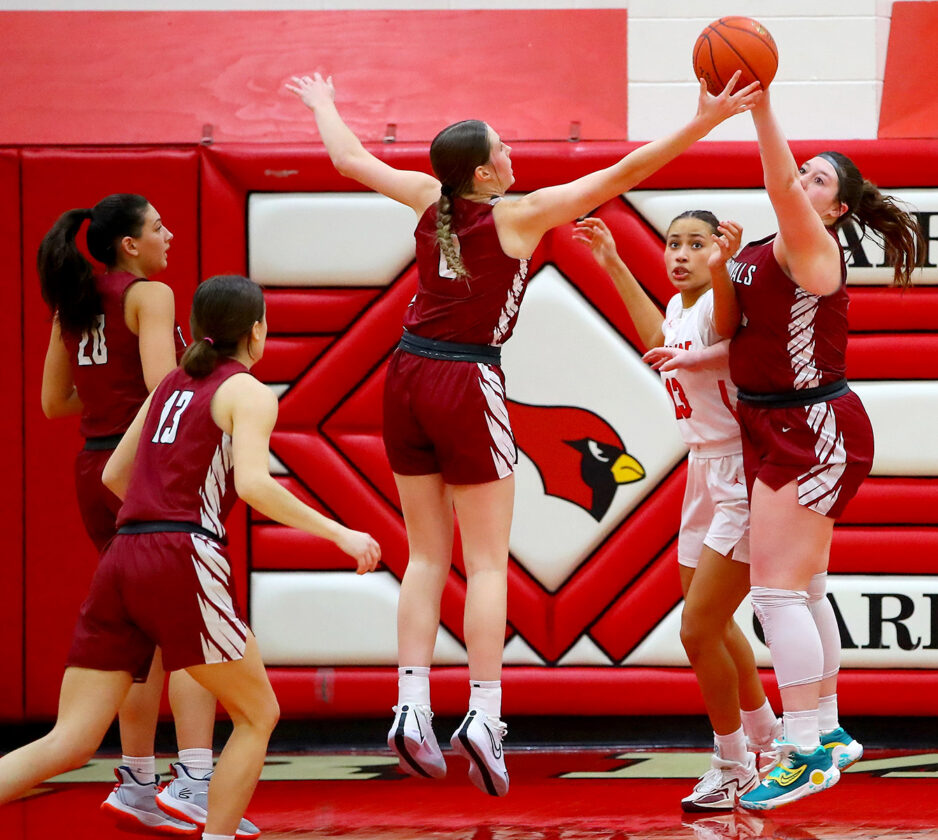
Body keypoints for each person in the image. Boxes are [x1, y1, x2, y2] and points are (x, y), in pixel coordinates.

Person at [286, 69, 762, 796]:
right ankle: (483, 716)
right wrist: (705, 121)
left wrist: (323, 103)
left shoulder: (427, 197)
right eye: (502, 148)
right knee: (483, 564)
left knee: (425, 556)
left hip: (404, 374)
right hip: (464, 378)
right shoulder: (520, 214)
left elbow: (349, 159)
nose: (512, 153)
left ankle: (411, 705)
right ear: (483, 173)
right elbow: (625, 172)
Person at [0, 274, 382, 840]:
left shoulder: (167, 386)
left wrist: (153, 517)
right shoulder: (248, 391)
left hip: (123, 553)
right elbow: (253, 484)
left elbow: (113, 475)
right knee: (258, 714)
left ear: (199, 328)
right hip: (181, 552)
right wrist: (339, 533)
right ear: (257, 330)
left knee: (70, 741)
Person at [707, 93, 924, 809]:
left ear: (835, 211)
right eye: (803, 171)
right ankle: (827, 730)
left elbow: (776, 182)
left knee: (774, 593)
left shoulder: (813, 247)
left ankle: (802, 751)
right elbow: (746, 334)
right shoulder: (768, 247)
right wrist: (699, 357)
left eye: (818, 179)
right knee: (803, 590)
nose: (802, 180)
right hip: (777, 423)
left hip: (811, 427)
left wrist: (761, 107)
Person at [574, 212, 780, 812]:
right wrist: (613, 262)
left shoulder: (720, 302)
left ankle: (732, 764)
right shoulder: (679, 305)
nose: (681, 254)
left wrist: (724, 267)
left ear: (716, 250)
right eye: (673, 244)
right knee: (711, 620)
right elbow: (657, 344)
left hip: (739, 469)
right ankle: (767, 738)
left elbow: (729, 323)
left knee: (697, 629)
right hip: (702, 469)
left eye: (696, 244)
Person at [38, 194, 227, 835]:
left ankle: (139, 782)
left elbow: (54, 402)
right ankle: (194, 779)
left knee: (141, 632)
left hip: (91, 468)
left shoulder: (74, 301)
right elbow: (161, 388)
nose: (168, 235)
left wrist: (106, 396)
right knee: (192, 625)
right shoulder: (151, 295)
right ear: (129, 245)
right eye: (157, 227)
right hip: (140, 469)